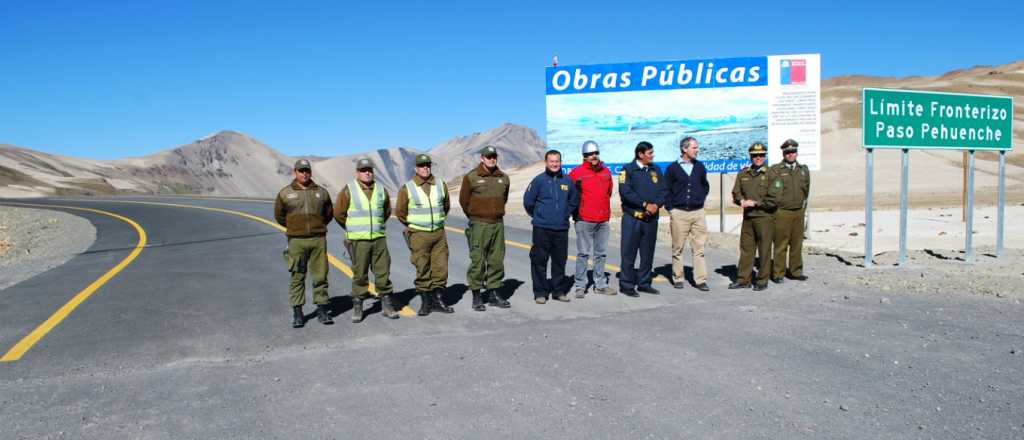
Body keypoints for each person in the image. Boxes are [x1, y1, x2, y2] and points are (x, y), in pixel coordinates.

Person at [333, 158, 397, 323]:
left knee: (383, 272)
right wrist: (352, 229)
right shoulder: (348, 190)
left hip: (378, 238)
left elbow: (386, 211)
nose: (367, 172)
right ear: (357, 172)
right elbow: (339, 213)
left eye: (369, 169)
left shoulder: (381, 190)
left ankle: (387, 304)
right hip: (358, 241)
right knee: (360, 274)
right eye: (363, 170)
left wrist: (376, 226)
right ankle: (358, 306)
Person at [274, 159, 335, 328]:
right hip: (296, 241)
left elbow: (328, 213)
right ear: (295, 172)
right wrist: (295, 228)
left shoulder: (321, 192)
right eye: (301, 171)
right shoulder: (285, 193)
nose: (304, 173)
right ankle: (298, 312)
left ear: (310, 172)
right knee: (297, 276)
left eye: (306, 170)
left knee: (320, 275)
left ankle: (322, 309)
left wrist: (317, 227)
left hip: (318, 239)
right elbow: (279, 216)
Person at [395, 153, 454, 316]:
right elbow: (400, 211)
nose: (425, 168)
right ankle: (426, 302)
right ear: (416, 168)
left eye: (427, 165)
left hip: (438, 233)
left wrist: (437, 221)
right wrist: (414, 225)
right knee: (422, 267)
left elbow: (446, 206)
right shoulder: (408, 187)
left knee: (441, 267)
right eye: (422, 166)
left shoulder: (440, 184)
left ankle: (439, 300)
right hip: (418, 234)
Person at [459, 146, 511, 311]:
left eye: (494, 156)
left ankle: (494, 293)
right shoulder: (472, 177)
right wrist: (476, 216)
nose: (492, 159)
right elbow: (463, 201)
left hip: (497, 224)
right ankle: (476, 296)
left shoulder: (503, 178)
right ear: (482, 158)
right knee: (478, 261)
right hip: (479, 224)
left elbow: (505, 198)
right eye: (488, 157)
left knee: (496, 260)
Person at [524, 150, 579, 304]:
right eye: (552, 161)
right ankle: (540, 292)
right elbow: (528, 202)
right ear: (546, 162)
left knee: (560, 261)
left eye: (557, 161)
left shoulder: (567, 181)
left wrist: (564, 214)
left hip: (561, 228)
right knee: (539, 261)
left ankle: (559, 291)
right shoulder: (538, 181)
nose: (555, 164)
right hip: (542, 228)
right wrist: (539, 216)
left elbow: (574, 201)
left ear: (561, 162)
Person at [618, 141, 668, 297]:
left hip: (651, 219)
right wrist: (645, 204)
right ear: (640, 154)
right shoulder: (628, 170)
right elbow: (625, 192)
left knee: (647, 253)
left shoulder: (656, 169)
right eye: (649, 153)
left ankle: (644, 283)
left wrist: (656, 205)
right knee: (628, 253)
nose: (652, 156)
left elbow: (664, 190)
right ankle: (626, 285)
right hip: (633, 219)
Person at [729, 143, 781, 292]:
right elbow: (736, 192)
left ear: (765, 156)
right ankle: (743, 279)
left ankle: (762, 280)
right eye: (754, 156)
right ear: (750, 156)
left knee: (764, 250)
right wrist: (741, 201)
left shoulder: (772, 174)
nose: (758, 158)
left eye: (761, 155)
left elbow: (774, 198)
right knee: (746, 249)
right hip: (748, 218)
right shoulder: (744, 173)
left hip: (764, 217)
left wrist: (756, 203)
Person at [569, 140, 616, 297]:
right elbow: (571, 196)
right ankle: (580, 286)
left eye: (595, 153)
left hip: (603, 219)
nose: (593, 156)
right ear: (584, 156)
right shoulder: (576, 173)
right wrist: (577, 214)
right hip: (584, 220)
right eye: (590, 154)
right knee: (583, 253)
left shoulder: (606, 172)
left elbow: (608, 193)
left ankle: (600, 284)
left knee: (601, 253)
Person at [665, 136, 711, 292]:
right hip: (679, 213)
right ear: (684, 149)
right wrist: (671, 209)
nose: (697, 150)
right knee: (678, 247)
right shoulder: (672, 169)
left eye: (697, 147)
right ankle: (678, 277)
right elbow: (667, 191)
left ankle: (701, 279)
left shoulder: (700, 167)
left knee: (699, 248)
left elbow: (705, 186)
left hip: (698, 213)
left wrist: (700, 200)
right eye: (694, 147)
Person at [769, 139, 810, 283]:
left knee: (797, 243)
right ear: (783, 153)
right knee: (781, 244)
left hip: (798, 212)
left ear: (797, 153)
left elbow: (806, 190)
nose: (790, 155)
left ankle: (796, 271)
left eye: (793, 152)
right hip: (782, 212)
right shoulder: (776, 170)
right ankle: (778, 273)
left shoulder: (803, 170)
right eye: (787, 152)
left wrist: (801, 208)